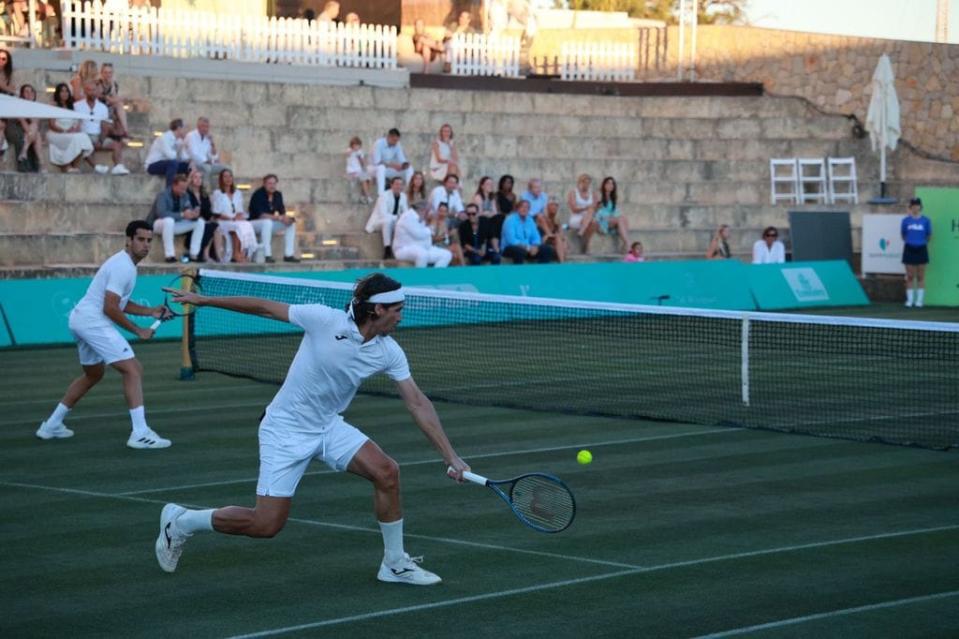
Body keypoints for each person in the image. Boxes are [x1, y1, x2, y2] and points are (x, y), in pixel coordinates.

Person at [155, 273, 470, 585]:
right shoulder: (324, 319)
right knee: (265, 525)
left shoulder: (389, 351)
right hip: (285, 430)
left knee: (387, 472)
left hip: (327, 426)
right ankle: (183, 522)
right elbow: (265, 307)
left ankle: (394, 563)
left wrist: (451, 456)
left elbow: (417, 402)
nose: (402, 316)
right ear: (377, 310)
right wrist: (206, 300)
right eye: (398, 309)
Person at [36, 220, 173, 449]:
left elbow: (120, 303)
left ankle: (51, 424)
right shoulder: (123, 266)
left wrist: (151, 311)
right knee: (133, 369)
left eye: (149, 241)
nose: (146, 245)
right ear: (128, 241)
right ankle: (139, 433)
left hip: (79, 319)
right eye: (140, 240)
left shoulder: (127, 265)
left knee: (93, 374)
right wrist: (138, 330)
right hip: (92, 322)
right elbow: (109, 308)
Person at [74, 81, 129, 175]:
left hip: (98, 136)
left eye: (94, 90)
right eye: (89, 90)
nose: (92, 92)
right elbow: (76, 125)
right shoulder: (77, 106)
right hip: (84, 136)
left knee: (116, 144)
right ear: (85, 91)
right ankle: (96, 167)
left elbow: (105, 126)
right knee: (83, 143)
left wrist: (101, 140)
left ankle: (118, 166)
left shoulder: (102, 107)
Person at [149, 174, 205, 263]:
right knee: (169, 221)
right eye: (181, 188)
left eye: (185, 188)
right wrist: (182, 215)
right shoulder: (163, 195)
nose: (183, 190)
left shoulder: (185, 195)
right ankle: (170, 255)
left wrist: (192, 214)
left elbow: (187, 208)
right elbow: (161, 213)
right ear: (174, 185)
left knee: (200, 222)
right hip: (158, 224)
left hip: (175, 224)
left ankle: (194, 254)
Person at [249, 174, 299, 263]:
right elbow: (261, 215)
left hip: (268, 224)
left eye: (274, 183)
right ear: (264, 184)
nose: (272, 186)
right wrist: (279, 218)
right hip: (253, 223)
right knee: (267, 222)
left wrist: (287, 219)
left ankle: (289, 255)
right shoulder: (258, 194)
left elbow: (282, 212)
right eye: (269, 183)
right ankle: (267, 255)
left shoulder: (278, 195)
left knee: (290, 224)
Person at [212, 169, 256, 263]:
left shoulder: (238, 193)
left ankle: (244, 253)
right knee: (238, 226)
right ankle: (236, 254)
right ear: (221, 179)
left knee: (246, 224)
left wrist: (239, 216)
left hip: (235, 219)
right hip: (223, 220)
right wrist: (231, 218)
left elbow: (239, 210)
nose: (228, 179)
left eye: (230, 176)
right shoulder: (217, 193)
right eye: (225, 176)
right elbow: (217, 213)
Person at [47, 83, 93, 173]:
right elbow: (52, 125)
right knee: (77, 138)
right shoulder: (53, 105)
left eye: (66, 91)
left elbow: (76, 122)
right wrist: (65, 131)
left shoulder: (72, 106)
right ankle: (66, 165)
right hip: (56, 133)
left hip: (69, 133)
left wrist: (74, 129)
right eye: (62, 91)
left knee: (82, 136)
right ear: (58, 93)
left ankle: (74, 166)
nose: (65, 93)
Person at [393, 202, 452, 268]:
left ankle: (435, 276)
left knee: (447, 254)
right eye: (429, 211)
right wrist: (432, 226)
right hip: (403, 249)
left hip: (421, 247)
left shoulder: (420, 218)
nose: (431, 214)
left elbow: (427, 238)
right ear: (422, 210)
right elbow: (418, 235)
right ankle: (420, 278)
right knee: (422, 255)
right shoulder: (407, 217)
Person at [501, 200, 555, 264]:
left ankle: (542, 272)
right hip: (510, 248)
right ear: (517, 209)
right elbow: (511, 240)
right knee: (519, 251)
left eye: (527, 207)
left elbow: (536, 237)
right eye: (522, 207)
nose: (524, 209)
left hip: (528, 248)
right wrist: (527, 247)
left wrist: (535, 246)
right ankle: (518, 273)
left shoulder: (530, 220)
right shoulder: (510, 220)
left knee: (547, 249)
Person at [366, 176, 408, 260]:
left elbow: (405, 213)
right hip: (378, 222)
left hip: (394, 221)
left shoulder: (403, 196)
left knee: (404, 223)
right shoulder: (384, 196)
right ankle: (387, 249)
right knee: (387, 221)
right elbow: (383, 214)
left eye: (400, 184)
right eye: (396, 184)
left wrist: (402, 218)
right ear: (391, 185)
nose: (398, 186)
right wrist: (398, 218)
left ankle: (403, 250)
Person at [901, 197, 932, 308]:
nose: (915, 208)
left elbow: (929, 235)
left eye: (917, 205)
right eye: (913, 206)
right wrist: (911, 242)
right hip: (909, 248)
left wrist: (921, 243)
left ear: (920, 207)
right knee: (910, 276)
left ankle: (919, 301)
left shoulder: (926, 221)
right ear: (910, 207)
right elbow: (903, 235)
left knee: (920, 276)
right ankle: (910, 300)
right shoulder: (906, 221)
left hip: (921, 249)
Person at [144, 118, 190, 186]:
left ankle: (187, 190)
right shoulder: (164, 137)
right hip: (153, 165)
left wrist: (190, 161)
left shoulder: (179, 141)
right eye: (185, 128)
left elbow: (184, 157)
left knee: (188, 167)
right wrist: (180, 149)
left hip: (169, 164)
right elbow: (171, 156)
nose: (186, 130)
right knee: (173, 163)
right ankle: (169, 190)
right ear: (179, 128)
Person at [184, 168, 216, 262]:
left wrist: (211, 217)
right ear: (191, 179)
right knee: (208, 226)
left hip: (204, 220)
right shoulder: (187, 193)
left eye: (200, 178)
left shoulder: (205, 195)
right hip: (191, 221)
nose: (198, 179)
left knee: (215, 226)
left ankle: (218, 256)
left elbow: (208, 212)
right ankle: (205, 255)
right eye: (195, 177)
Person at [186, 117, 229, 185]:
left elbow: (213, 157)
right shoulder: (191, 135)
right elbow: (193, 154)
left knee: (226, 169)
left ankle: (222, 191)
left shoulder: (207, 138)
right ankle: (206, 190)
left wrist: (212, 143)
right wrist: (206, 161)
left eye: (207, 127)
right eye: (203, 126)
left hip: (207, 163)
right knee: (207, 169)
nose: (205, 129)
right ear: (198, 126)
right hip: (194, 164)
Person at [12, 84, 43, 172]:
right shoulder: (18, 106)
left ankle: (24, 152)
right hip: (19, 130)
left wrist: (30, 109)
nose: (29, 93)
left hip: (30, 133)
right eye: (26, 91)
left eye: (31, 91)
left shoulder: (37, 107)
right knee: (36, 134)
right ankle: (41, 163)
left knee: (35, 130)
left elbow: (35, 123)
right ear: (22, 94)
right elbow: (25, 127)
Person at [371, 128, 413, 195]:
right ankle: (381, 194)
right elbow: (377, 162)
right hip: (374, 169)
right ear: (389, 137)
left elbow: (402, 159)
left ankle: (409, 192)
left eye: (397, 140)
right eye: (394, 140)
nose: (396, 142)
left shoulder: (397, 144)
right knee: (381, 168)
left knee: (409, 168)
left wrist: (405, 165)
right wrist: (393, 166)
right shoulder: (378, 143)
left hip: (388, 169)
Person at [595, 177, 630, 252]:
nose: (610, 185)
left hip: (610, 220)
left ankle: (625, 243)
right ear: (604, 185)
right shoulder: (598, 194)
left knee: (624, 219)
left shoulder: (612, 197)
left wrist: (616, 216)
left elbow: (615, 211)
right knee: (620, 219)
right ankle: (627, 244)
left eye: (612, 183)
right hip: (601, 221)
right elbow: (595, 211)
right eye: (608, 183)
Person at [97, 63, 129, 141]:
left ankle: (125, 131)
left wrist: (112, 86)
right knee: (119, 104)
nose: (108, 75)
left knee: (119, 106)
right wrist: (123, 97)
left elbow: (114, 99)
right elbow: (109, 100)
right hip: (99, 109)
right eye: (105, 72)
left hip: (109, 108)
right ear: (101, 73)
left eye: (110, 72)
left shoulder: (114, 84)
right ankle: (125, 131)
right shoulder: (98, 84)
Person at [538, 197, 568, 263]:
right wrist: (558, 236)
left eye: (556, 205)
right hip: (542, 240)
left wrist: (563, 238)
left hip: (554, 243)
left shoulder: (557, 219)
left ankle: (563, 260)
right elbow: (548, 234)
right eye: (552, 205)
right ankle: (562, 263)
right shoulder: (541, 217)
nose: (554, 207)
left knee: (564, 239)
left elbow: (561, 234)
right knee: (557, 237)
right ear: (547, 206)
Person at [345, 136, 374, 204]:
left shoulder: (360, 152)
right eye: (355, 145)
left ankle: (363, 196)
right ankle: (368, 196)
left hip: (359, 171)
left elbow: (363, 163)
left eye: (358, 145)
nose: (356, 146)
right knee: (364, 179)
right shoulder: (349, 150)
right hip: (352, 171)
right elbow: (347, 154)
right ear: (352, 145)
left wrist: (360, 158)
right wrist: (353, 150)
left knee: (369, 179)